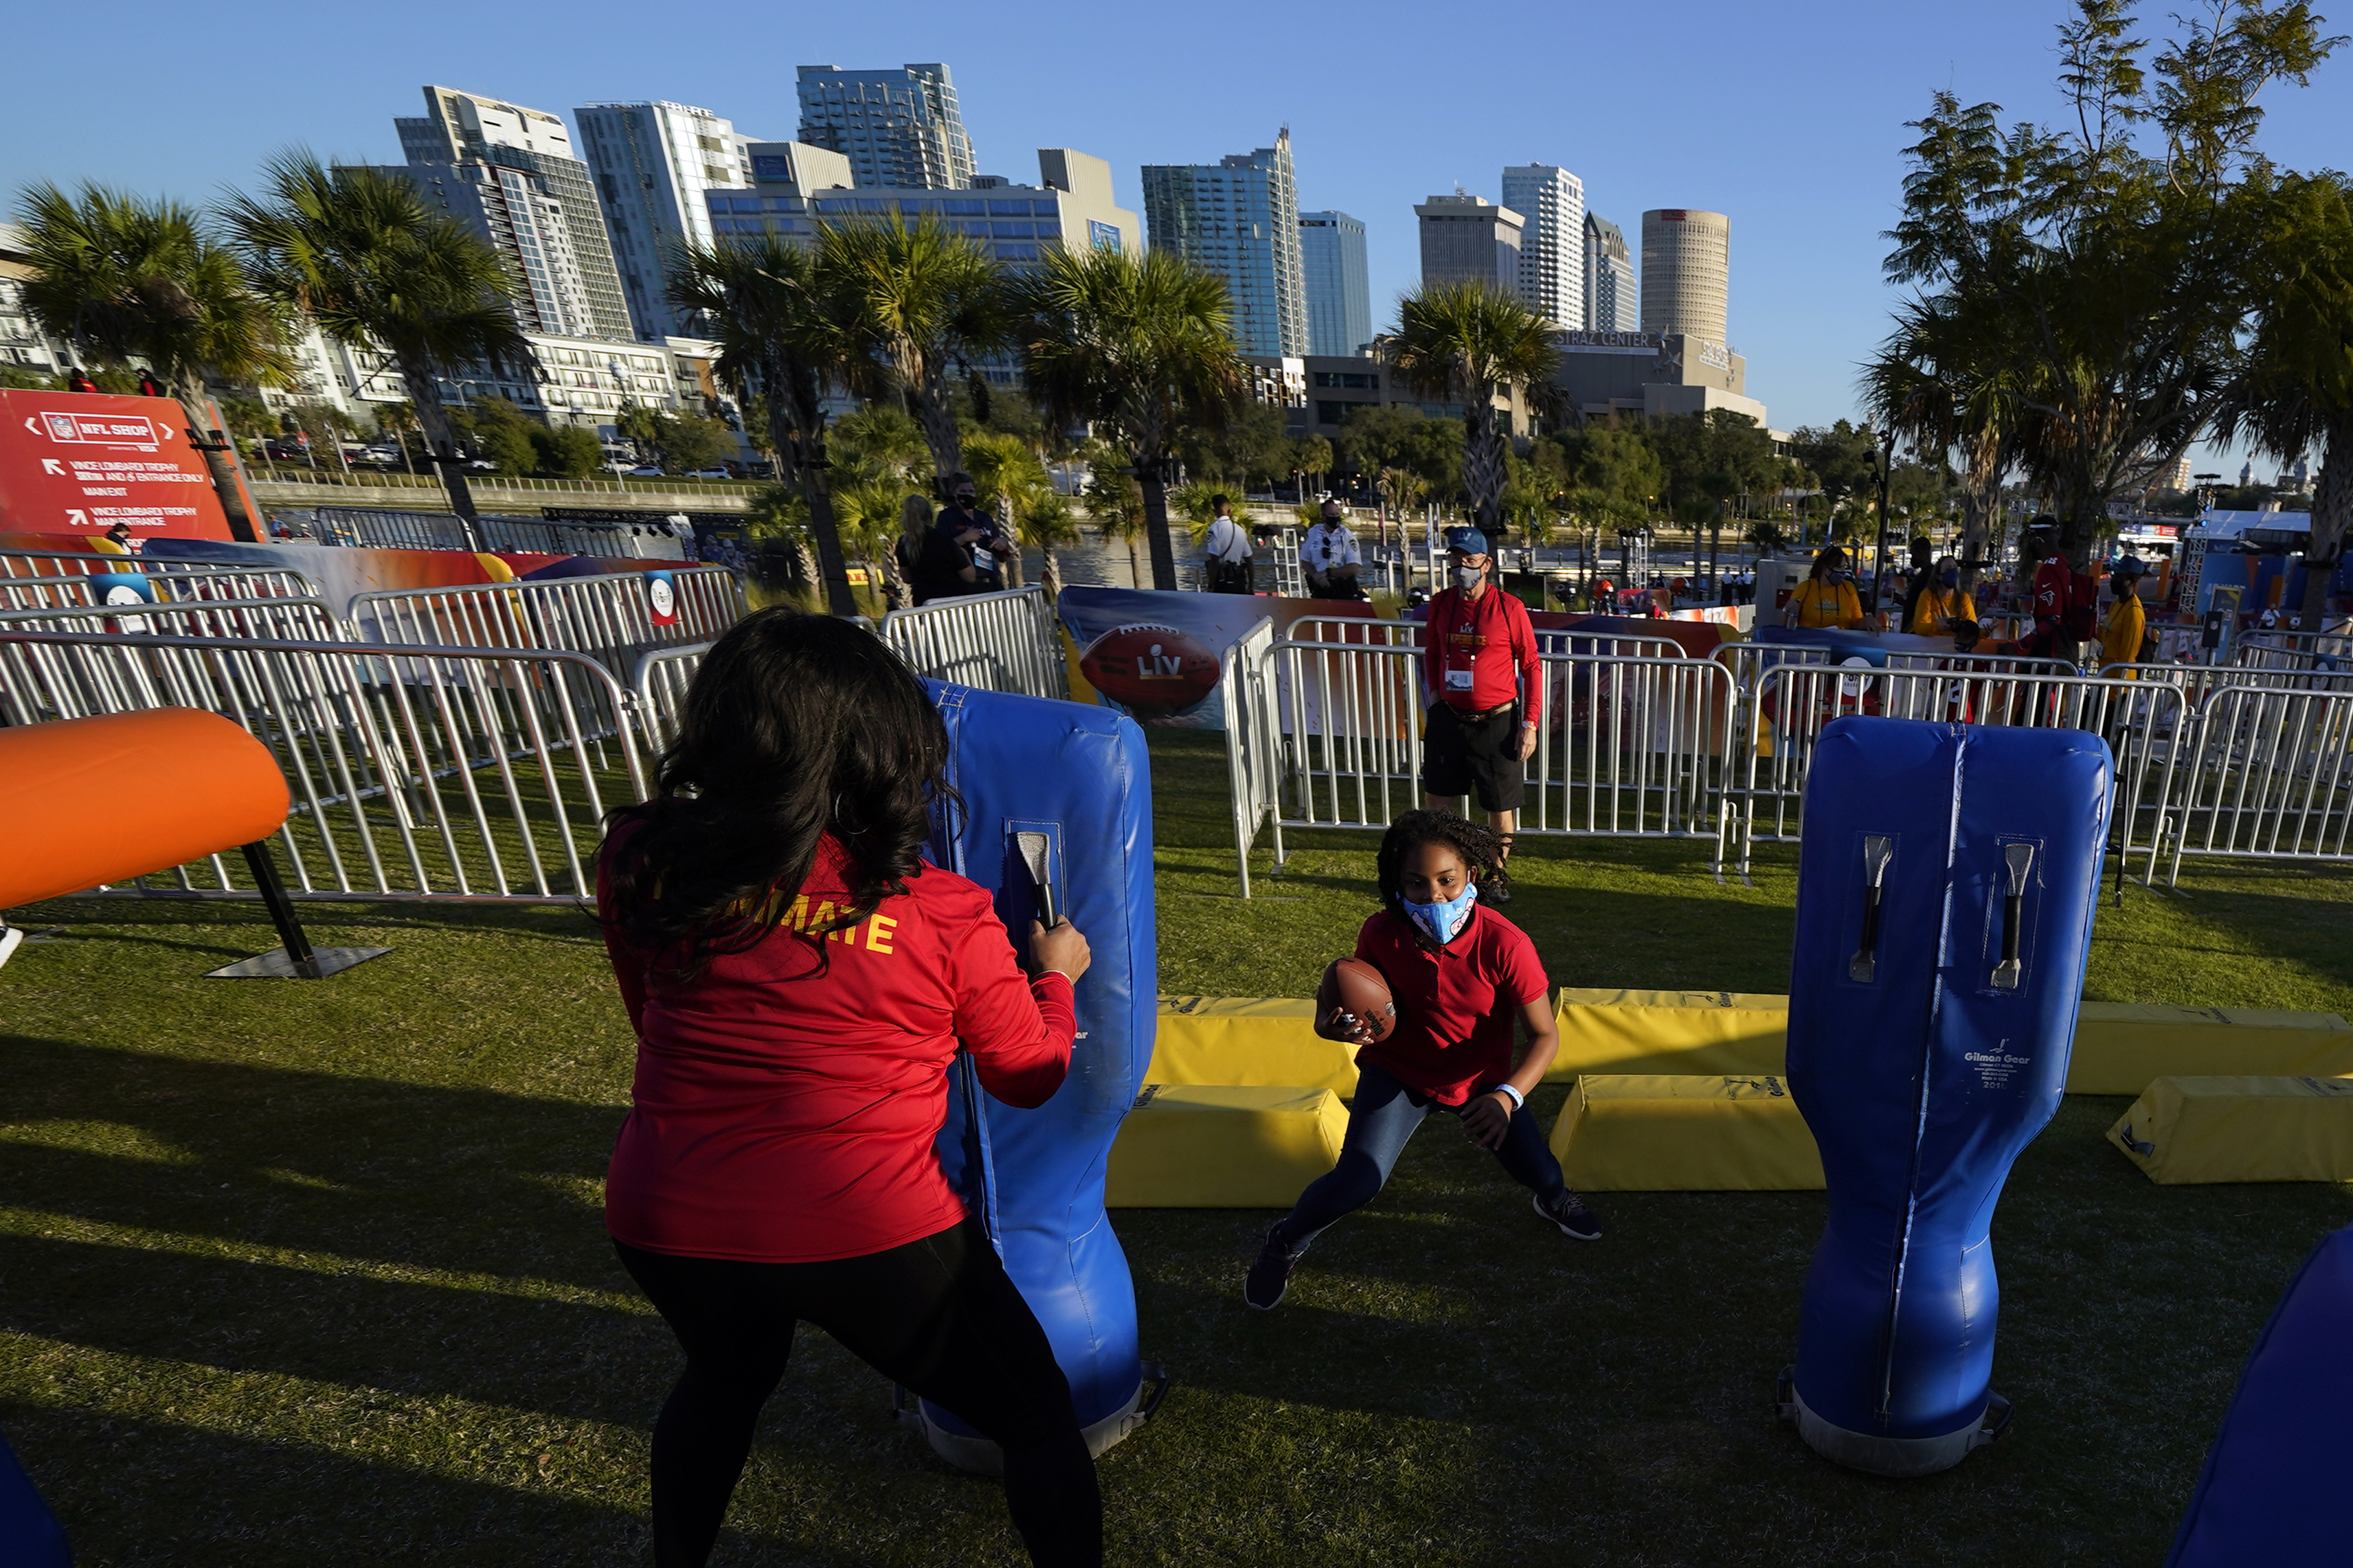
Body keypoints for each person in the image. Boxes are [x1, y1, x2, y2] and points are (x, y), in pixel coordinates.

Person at [597, 611, 1101, 1568]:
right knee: (1036, 1420)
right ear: (880, 744)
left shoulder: (641, 857)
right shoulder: (941, 910)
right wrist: (1057, 975)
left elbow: (649, 1014)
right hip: (864, 1223)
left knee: (724, 1379)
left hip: (666, 1210)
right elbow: (1028, 1073)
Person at [1243, 810, 1599, 1310]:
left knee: (1540, 1171)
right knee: (1356, 1181)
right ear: (1397, 883)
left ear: (1471, 875)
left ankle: (1555, 1198)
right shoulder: (1380, 933)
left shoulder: (1505, 943)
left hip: (1481, 1083)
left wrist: (1506, 1096)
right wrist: (1332, 1026)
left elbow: (1544, 1035)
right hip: (1399, 1071)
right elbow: (1355, 1008)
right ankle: (1283, 1242)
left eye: (1446, 880)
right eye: (1415, 882)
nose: (1433, 895)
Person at [1418, 527, 1540, 902]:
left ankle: (1496, 877)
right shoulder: (1441, 604)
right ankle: (1445, 875)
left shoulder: (1508, 607)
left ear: (1487, 564)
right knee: (1438, 801)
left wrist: (1529, 724)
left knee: (1499, 807)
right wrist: (1437, 698)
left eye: (1469, 560)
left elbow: (1531, 664)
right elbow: (1433, 653)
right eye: (1456, 559)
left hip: (1497, 721)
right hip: (1449, 717)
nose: (1462, 568)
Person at [911, 474, 1011, 605]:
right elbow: (941, 551)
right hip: (964, 585)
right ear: (955, 493)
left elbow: (1001, 554)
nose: (968, 495)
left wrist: (1003, 544)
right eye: (963, 492)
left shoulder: (984, 518)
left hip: (990, 581)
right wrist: (963, 538)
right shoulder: (947, 518)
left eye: (971, 491)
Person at [1784, 547, 1868, 630]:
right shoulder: (1805, 588)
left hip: (1840, 641)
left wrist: (1866, 622)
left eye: (1844, 567)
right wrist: (1787, 610)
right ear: (1825, 568)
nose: (1843, 572)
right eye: (1839, 567)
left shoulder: (1848, 588)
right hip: (1811, 642)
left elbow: (1856, 622)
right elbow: (1786, 623)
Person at [1303, 499, 1362, 599]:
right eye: (1331, 515)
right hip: (1319, 592)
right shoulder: (1314, 533)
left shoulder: (1347, 536)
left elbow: (1353, 568)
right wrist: (1317, 577)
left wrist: (1327, 573)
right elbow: (1305, 561)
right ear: (1324, 516)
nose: (1335, 518)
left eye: (1337, 514)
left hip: (1342, 594)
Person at [1907, 555, 1977, 637]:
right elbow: (1919, 627)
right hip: (1931, 646)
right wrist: (1938, 626)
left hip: (1954, 645)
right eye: (1948, 569)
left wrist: (1985, 633)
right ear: (1938, 576)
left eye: (1955, 568)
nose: (1953, 572)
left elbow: (1973, 629)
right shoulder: (1928, 595)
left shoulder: (1964, 598)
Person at [2103, 557, 2149, 672]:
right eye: (2113, 574)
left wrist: (2116, 689)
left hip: (2118, 684)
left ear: (2132, 581)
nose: (2114, 579)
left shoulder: (2134, 612)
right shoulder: (2117, 603)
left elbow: (2127, 659)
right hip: (2105, 676)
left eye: (2119, 576)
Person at [1202, 495, 1253, 593]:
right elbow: (1249, 561)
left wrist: (1210, 586)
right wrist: (1251, 586)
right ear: (1230, 511)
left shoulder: (1214, 529)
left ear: (1214, 512)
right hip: (1239, 582)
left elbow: (1214, 560)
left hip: (1222, 583)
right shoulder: (1240, 530)